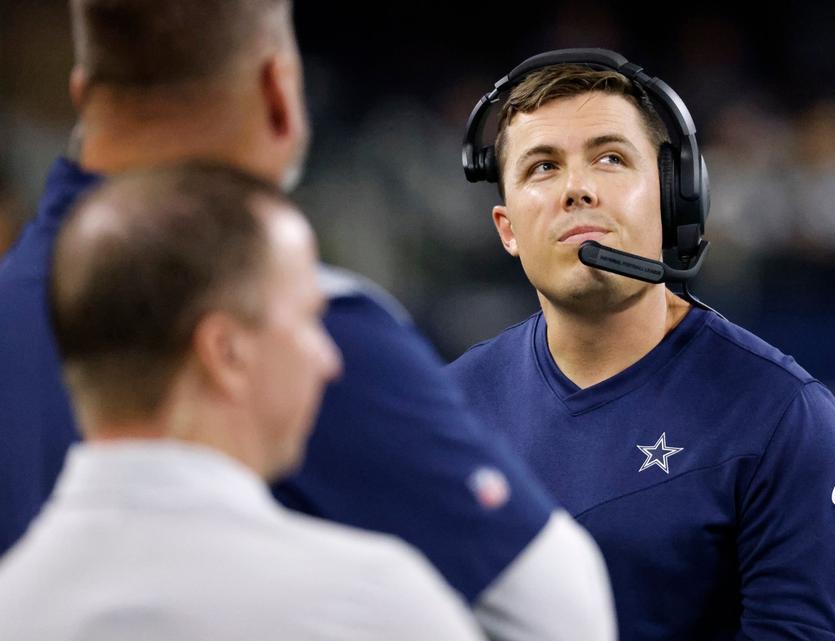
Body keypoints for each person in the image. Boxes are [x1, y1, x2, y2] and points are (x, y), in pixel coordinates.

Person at [0, 3, 614, 638]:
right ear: (277, 93)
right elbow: (558, 614)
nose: (321, 354)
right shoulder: (295, 329)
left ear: (83, 92)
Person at [450, 50, 835, 640]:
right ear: (507, 228)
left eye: (611, 158)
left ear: (674, 197)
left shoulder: (781, 416)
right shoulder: (449, 408)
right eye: (542, 167)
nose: (577, 189)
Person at [0, 164, 488, 640]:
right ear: (226, 352)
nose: (329, 359)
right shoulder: (371, 604)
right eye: (307, 319)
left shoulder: (13, 605)